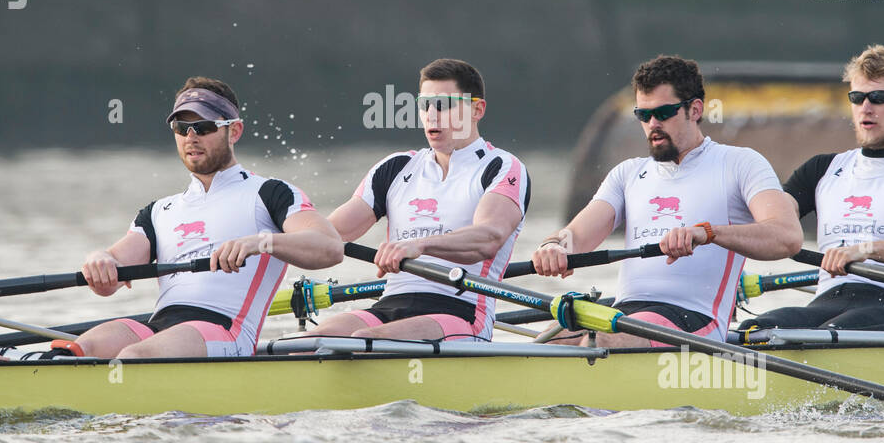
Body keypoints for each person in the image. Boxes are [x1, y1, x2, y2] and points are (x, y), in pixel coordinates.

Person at [531, 55, 802, 347]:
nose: (652, 124)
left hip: (694, 320)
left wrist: (708, 233)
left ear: (695, 109)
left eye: (664, 113)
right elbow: (576, 239)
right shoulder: (628, 173)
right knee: (550, 339)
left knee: (601, 344)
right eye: (643, 115)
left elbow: (787, 236)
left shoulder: (740, 164)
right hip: (626, 312)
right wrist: (554, 247)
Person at [71, 77, 343, 359]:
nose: (191, 137)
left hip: (225, 331)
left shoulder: (269, 193)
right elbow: (112, 273)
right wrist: (98, 259)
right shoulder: (159, 211)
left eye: (204, 126)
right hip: (159, 329)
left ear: (234, 131)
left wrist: (260, 243)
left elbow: (330, 247)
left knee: (134, 357)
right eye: (181, 128)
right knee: (76, 350)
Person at [303, 58, 529, 341]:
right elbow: (329, 235)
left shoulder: (502, 167)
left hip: (460, 312)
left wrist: (420, 245)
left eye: (444, 105)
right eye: (425, 105)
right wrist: (265, 240)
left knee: (363, 340)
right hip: (390, 305)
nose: (432, 115)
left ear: (476, 109)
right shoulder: (397, 167)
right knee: (307, 343)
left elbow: (489, 237)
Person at [738, 45, 884, 333]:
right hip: (827, 302)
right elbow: (771, 224)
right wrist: (711, 235)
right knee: (756, 329)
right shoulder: (821, 169)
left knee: (827, 336)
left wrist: (862, 250)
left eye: (878, 98)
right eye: (857, 97)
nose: (866, 108)